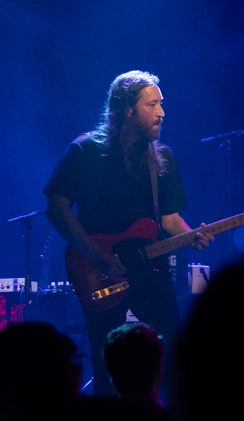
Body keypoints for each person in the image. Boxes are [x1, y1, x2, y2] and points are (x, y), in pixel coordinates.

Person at [44, 71, 212, 397]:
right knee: (106, 365)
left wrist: (192, 235)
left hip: (151, 272)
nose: (162, 112)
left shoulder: (162, 158)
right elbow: (56, 207)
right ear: (128, 110)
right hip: (100, 272)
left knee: (175, 357)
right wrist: (98, 256)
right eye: (152, 105)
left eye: (161, 104)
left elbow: (170, 220)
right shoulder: (85, 150)